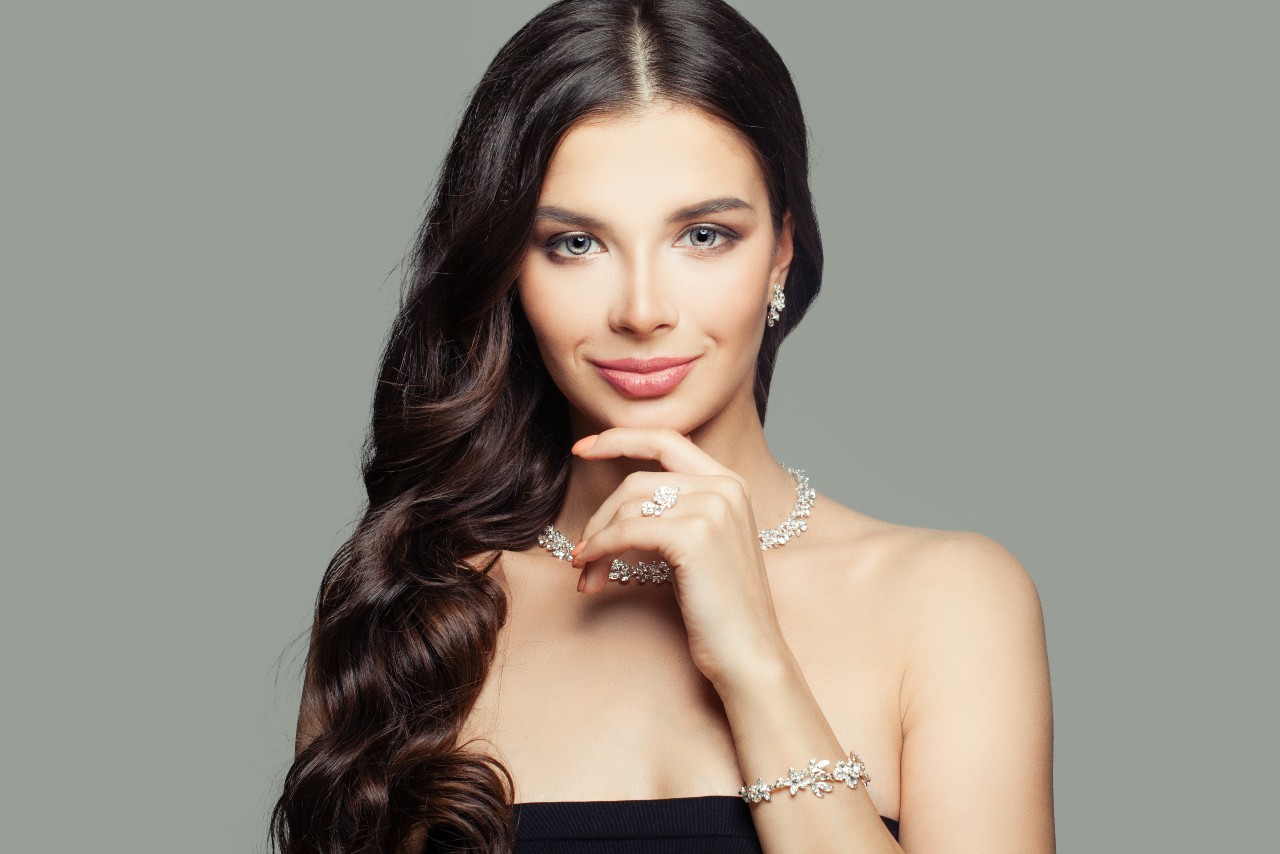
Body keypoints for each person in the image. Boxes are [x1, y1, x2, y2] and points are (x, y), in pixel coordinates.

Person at [270, 0, 1055, 851]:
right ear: (508, 268)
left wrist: (754, 659)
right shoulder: (414, 608)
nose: (642, 310)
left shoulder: (947, 604)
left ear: (782, 251)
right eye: (575, 244)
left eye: (704, 234)